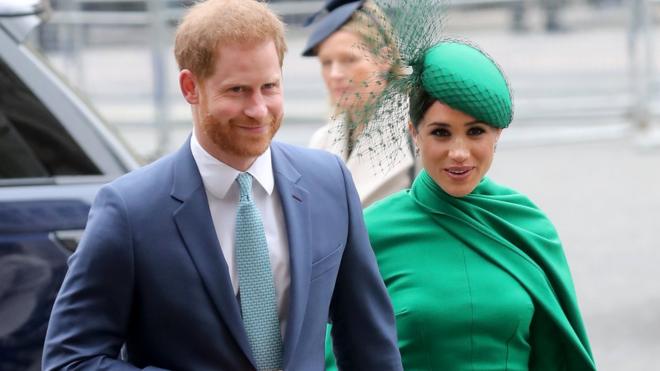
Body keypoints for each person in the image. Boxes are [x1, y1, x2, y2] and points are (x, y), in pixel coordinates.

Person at [42, 1, 402, 370]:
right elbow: (70, 360)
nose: (259, 109)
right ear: (189, 87)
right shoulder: (130, 210)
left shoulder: (328, 182)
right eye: (237, 91)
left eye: (270, 87)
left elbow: (369, 343)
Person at [324, 3, 596, 369]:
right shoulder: (371, 233)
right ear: (414, 133)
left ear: (497, 135)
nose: (459, 153)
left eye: (475, 132)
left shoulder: (528, 226)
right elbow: (338, 355)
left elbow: (559, 357)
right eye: (440, 132)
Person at [303, 0, 416, 207]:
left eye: (349, 60)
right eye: (326, 63)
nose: (335, 74)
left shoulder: (419, 133)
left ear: (385, 58)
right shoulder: (321, 141)